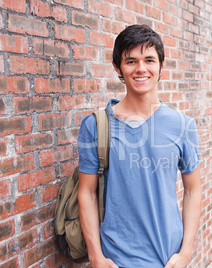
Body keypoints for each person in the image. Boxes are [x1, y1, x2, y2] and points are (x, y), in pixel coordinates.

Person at [77, 25, 201, 267]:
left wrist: (186, 252)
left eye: (149, 60)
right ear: (118, 68)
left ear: (161, 67)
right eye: (131, 61)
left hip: (167, 258)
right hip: (116, 259)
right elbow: (87, 193)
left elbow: (193, 191)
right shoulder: (95, 125)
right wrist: (96, 257)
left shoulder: (183, 125)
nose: (141, 68)